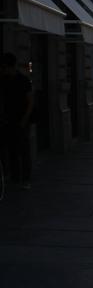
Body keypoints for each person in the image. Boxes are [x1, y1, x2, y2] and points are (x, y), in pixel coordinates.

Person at [0, 52, 34, 189]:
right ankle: (15, 177)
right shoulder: (3, 80)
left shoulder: (23, 80)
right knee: (11, 150)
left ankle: (26, 179)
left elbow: (30, 101)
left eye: (4, 67)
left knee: (23, 150)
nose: (2, 70)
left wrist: (24, 120)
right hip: (8, 120)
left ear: (11, 66)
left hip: (21, 121)